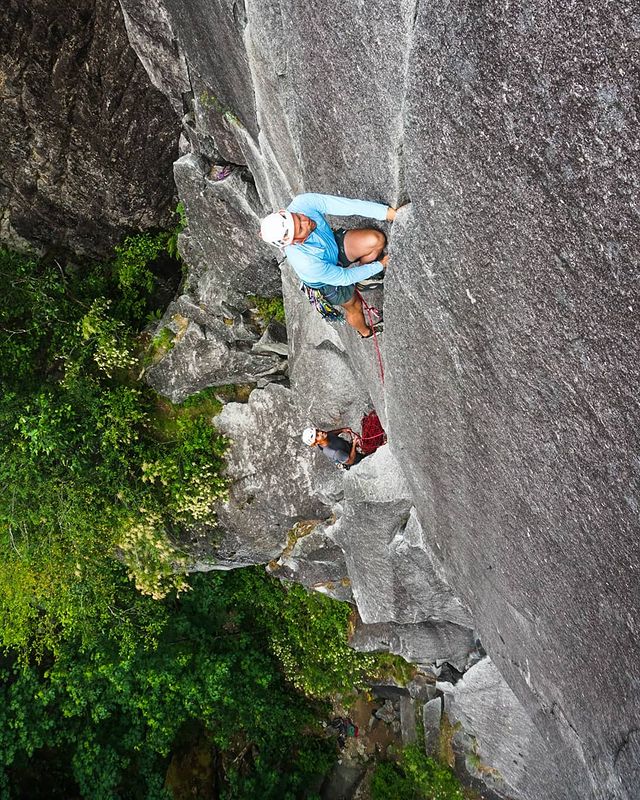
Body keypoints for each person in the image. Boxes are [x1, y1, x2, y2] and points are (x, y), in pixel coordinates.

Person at [260, 193, 399, 338]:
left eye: (299, 217)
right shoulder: (306, 263)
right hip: (326, 282)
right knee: (355, 306)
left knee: (375, 240)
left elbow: (349, 205)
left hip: (332, 247)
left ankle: (363, 282)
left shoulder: (303, 203)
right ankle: (366, 332)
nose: (306, 222)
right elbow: (344, 278)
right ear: (295, 242)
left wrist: (388, 213)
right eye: (300, 229)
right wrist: (379, 265)